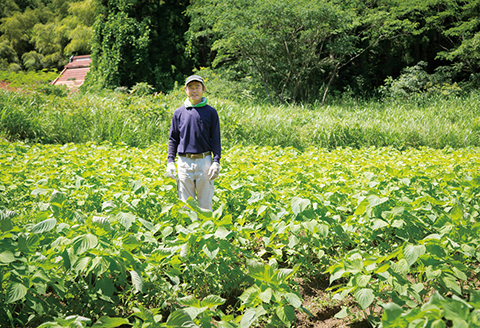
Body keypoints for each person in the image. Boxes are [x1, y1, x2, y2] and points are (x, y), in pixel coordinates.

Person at [166, 75, 221, 211]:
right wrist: (170, 161)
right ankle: (190, 231)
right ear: (185, 90)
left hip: (205, 162)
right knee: (186, 205)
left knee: (205, 204)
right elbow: (173, 138)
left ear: (203, 89)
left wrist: (216, 161)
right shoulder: (179, 112)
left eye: (197, 87)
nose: (194, 91)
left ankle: (205, 231)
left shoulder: (211, 112)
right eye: (191, 87)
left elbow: (216, 139)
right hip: (184, 162)